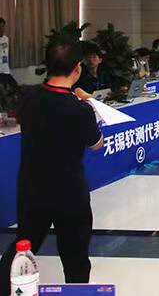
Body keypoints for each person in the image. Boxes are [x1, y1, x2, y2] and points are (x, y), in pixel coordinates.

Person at [0, 39, 103, 296]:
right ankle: (76, 291)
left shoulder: (27, 97)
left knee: (23, 246)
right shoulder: (80, 109)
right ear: (77, 69)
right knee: (75, 254)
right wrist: (89, 103)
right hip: (70, 192)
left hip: (32, 188)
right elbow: (96, 144)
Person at [0, 16, 17, 89]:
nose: (1, 29)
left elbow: (5, 54)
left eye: (3, 26)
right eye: (0, 27)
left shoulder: (6, 39)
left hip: (5, 70)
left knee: (16, 88)